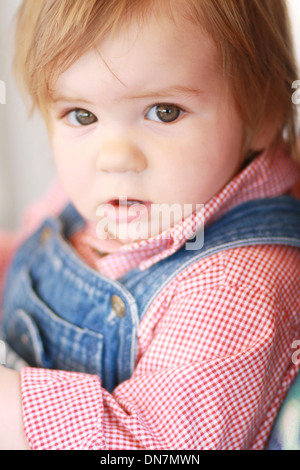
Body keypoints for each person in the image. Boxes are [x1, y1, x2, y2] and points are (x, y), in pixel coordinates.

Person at [0, 0, 300, 450]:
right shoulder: (101, 195)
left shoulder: (237, 285)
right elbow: (25, 251)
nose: (115, 156)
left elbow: (157, 447)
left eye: (164, 111)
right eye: (82, 115)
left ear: (263, 113)